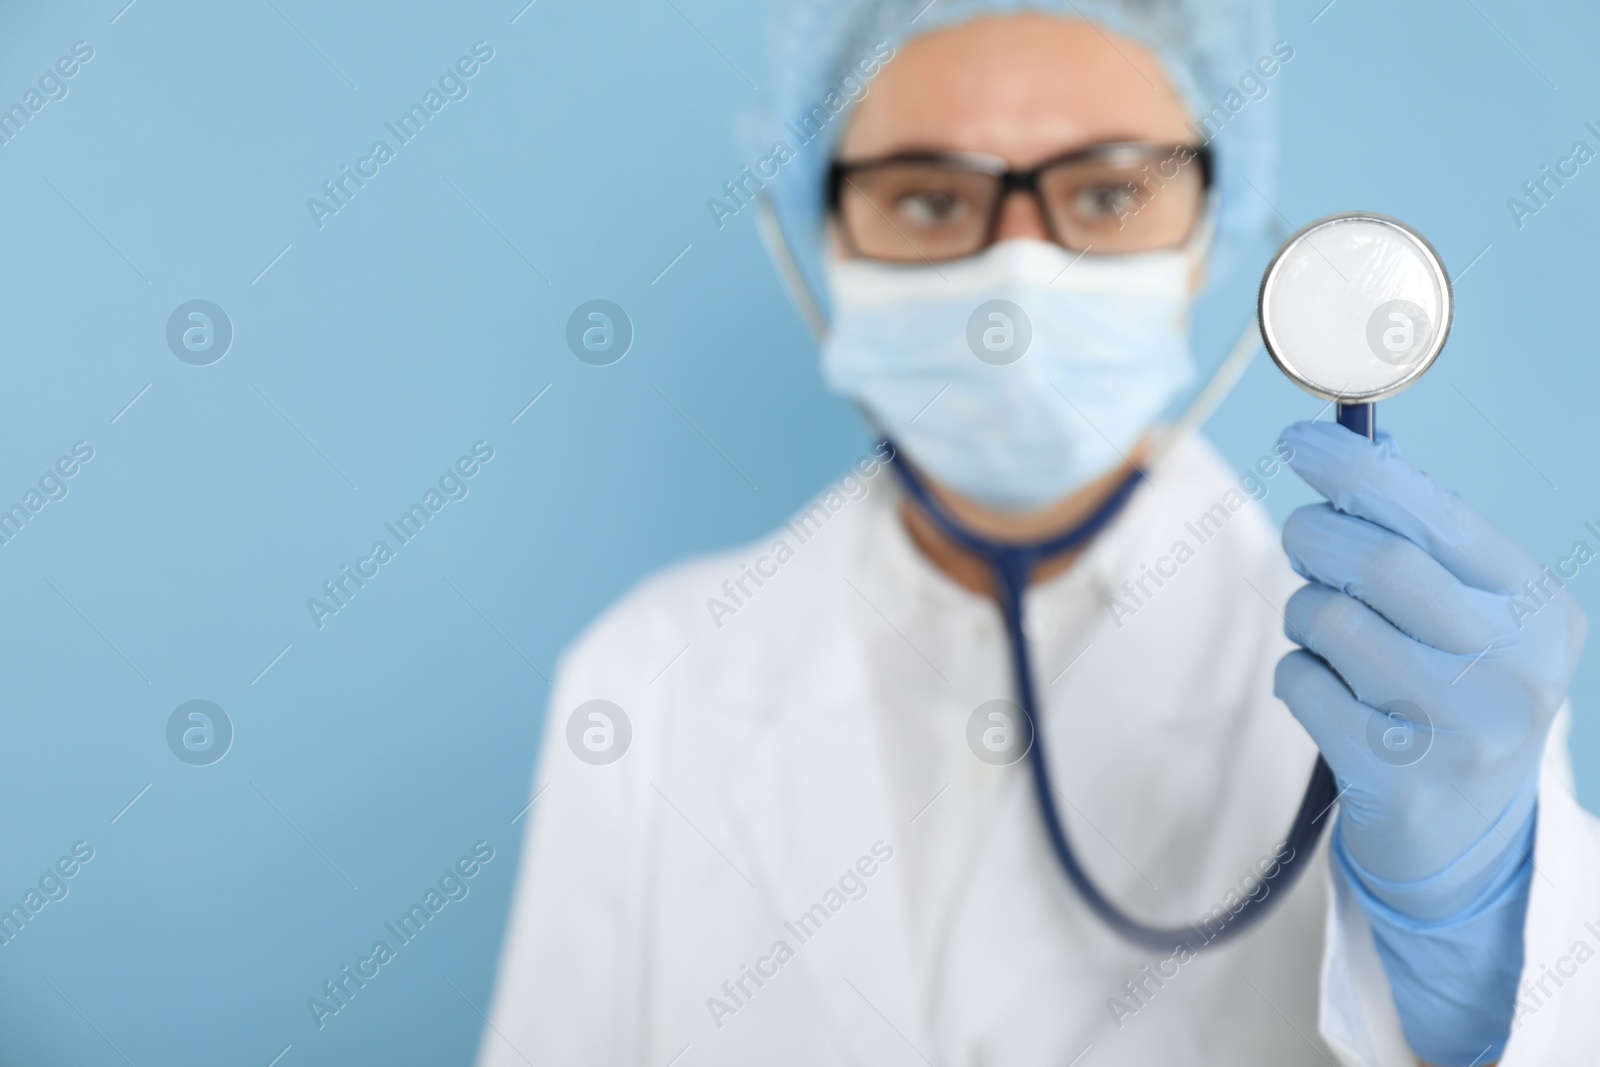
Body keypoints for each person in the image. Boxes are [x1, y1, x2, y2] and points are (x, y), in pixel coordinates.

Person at [478, 1, 1600, 1064]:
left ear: (1213, 233)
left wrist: (1484, 948)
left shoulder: (1404, 688)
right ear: (824, 239)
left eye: (1109, 191)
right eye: (929, 198)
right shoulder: (646, 681)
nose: (1016, 266)